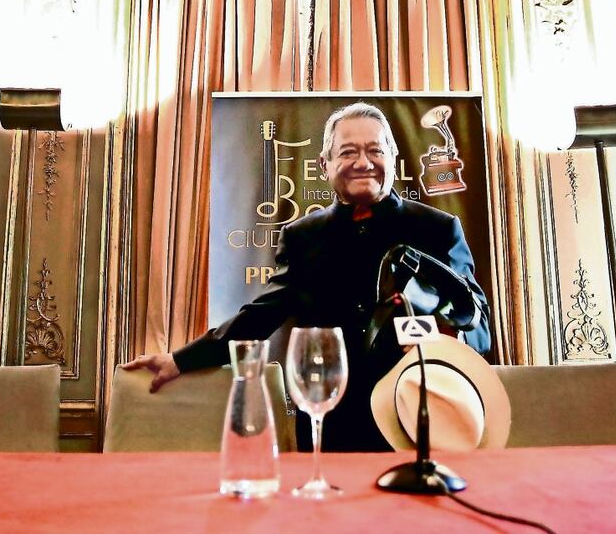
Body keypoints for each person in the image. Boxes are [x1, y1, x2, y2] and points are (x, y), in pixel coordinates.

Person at [121, 102, 490, 451]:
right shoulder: (303, 236)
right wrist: (182, 359)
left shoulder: (438, 228)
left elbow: (479, 322)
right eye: (347, 152)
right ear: (324, 164)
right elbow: (262, 314)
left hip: (419, 415)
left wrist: (446, 334)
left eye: (375, 150)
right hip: (329, 421)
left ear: (394, 159)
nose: (364, 162)